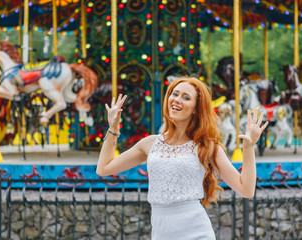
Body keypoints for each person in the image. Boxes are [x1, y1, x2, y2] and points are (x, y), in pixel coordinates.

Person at [96, 77, 268, 239]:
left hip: (196, 232)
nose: (177, 99)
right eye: (174, 94)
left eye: (186, 97)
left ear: (196, 108)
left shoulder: (207, 147)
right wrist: (113, 128)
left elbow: (246, 189)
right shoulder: (150, 143)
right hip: (160, 232)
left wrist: (248, 147)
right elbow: (104, 168)